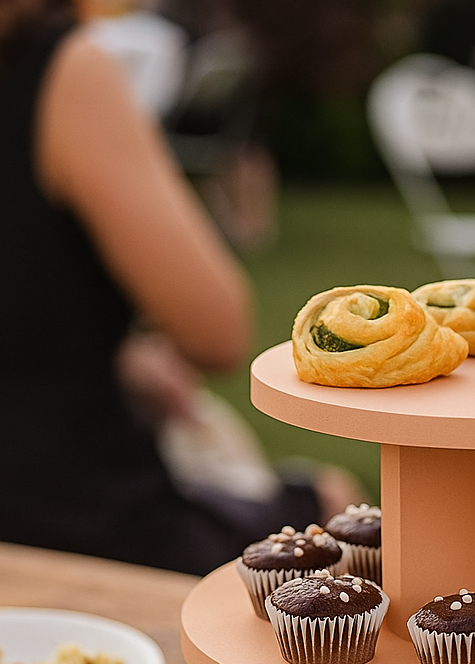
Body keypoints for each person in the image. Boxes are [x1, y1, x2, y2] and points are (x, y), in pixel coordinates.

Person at [0, 0, 361, 576]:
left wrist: (117, 352)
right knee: (338, 505)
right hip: (67, 516)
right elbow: (217, 332)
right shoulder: (61, 73)